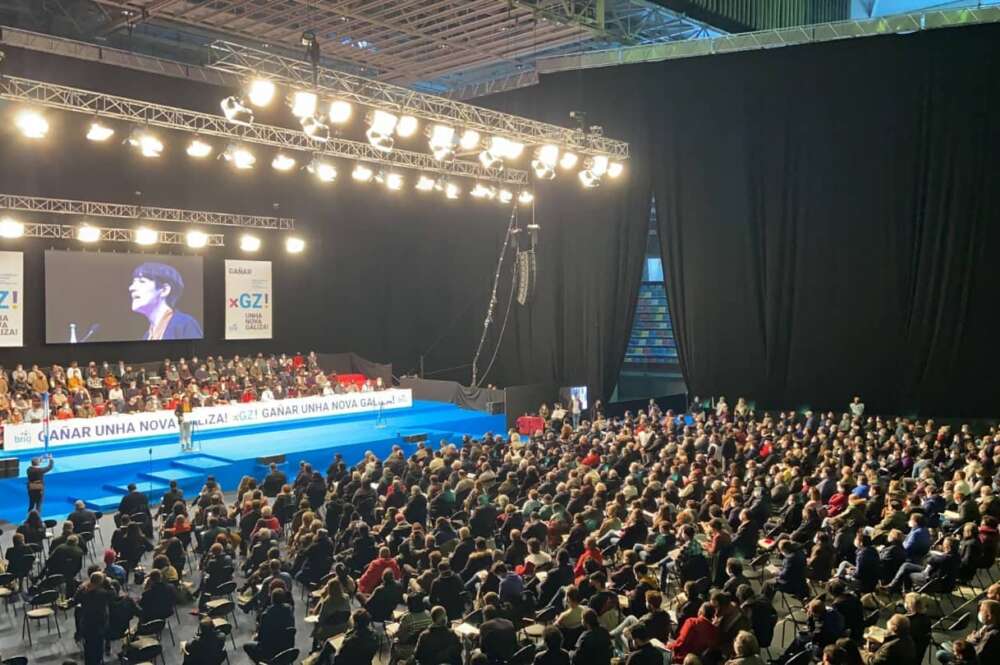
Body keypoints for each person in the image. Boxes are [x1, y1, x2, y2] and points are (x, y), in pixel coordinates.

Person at [128, 262, 203, 341]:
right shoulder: (147, 335)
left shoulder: (185, 324)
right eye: (133, 282)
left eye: (142, 282)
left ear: (164, 290)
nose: (131, 288)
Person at [73, 571, 114, 665]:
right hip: (99, 624)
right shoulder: (103, 593)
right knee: (98, 648)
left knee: (88, 647)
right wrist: (108, 583)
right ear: (100, 582)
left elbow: (75, 599)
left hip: (87, 623)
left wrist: (83, 586)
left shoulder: (84, 591)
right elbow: (113, 594)